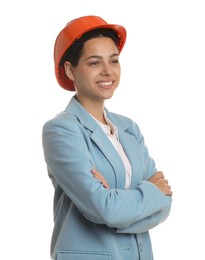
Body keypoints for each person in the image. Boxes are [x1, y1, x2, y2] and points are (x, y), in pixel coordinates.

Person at [42, 15, 173, 260]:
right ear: (70, 70)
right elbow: (104, 208)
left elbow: (164, 203)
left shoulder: (128, 128)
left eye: (114, 61)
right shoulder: (61, 130)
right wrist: (146, 194)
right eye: (94, 63)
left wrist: (116, 205)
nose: (107, 71)